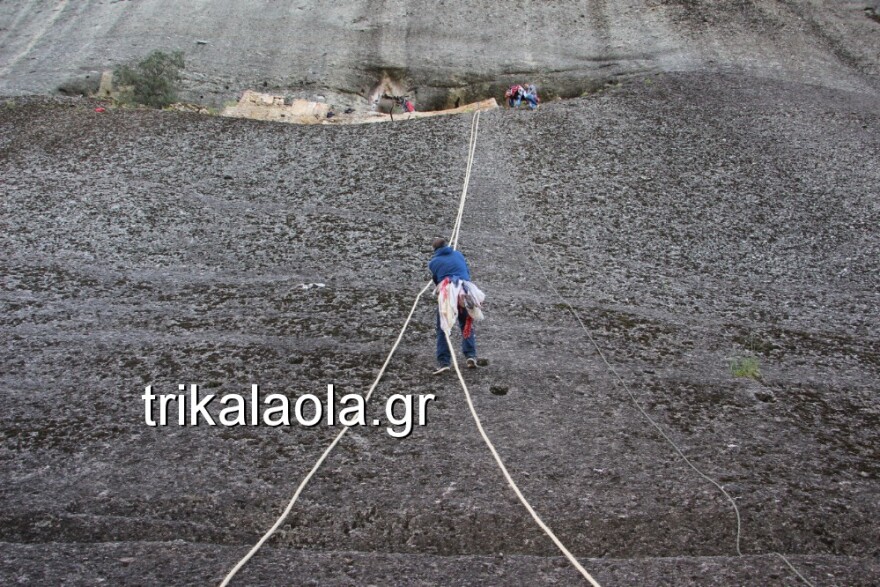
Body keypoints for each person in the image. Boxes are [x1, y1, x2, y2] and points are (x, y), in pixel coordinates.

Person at [429, 237, 479, 374]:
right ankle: (470, 355)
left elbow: (437, 280)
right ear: (446, 245)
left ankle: (444, 362)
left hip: (448, 294)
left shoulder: (433, 262)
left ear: (435, 250)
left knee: (443, 328)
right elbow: (466, 273)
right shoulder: (458, 254)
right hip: (464, 291)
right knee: (466, 323)